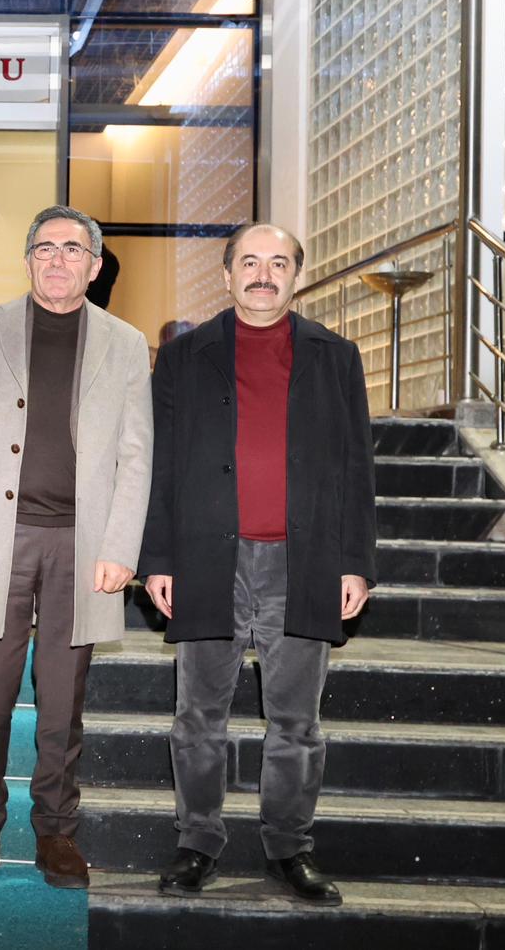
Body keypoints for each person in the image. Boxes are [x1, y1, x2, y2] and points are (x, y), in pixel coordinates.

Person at [140, 222, 375, 905]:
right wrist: (159, 558)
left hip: (305, 563)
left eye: (277, 262)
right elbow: (159, 465)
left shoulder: (337, 357)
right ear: (227, 274)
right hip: (207, 558)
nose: (263, 274)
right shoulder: (182, 358)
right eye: (249, 261)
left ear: (297, 275)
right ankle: (197, 843)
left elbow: (357, 467)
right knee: (197, 717)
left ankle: (289, 849)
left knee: (297, 722)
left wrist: (355, 563)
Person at [0, 206, 152, 889]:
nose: (57, 259)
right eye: (45, 248)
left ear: (94, 265)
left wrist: (120, 545)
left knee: (63, 702)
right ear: (28, 259)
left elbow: (136, 454)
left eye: (72, 249)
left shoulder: (126, 343)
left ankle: (57, 831)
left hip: (82, 547)